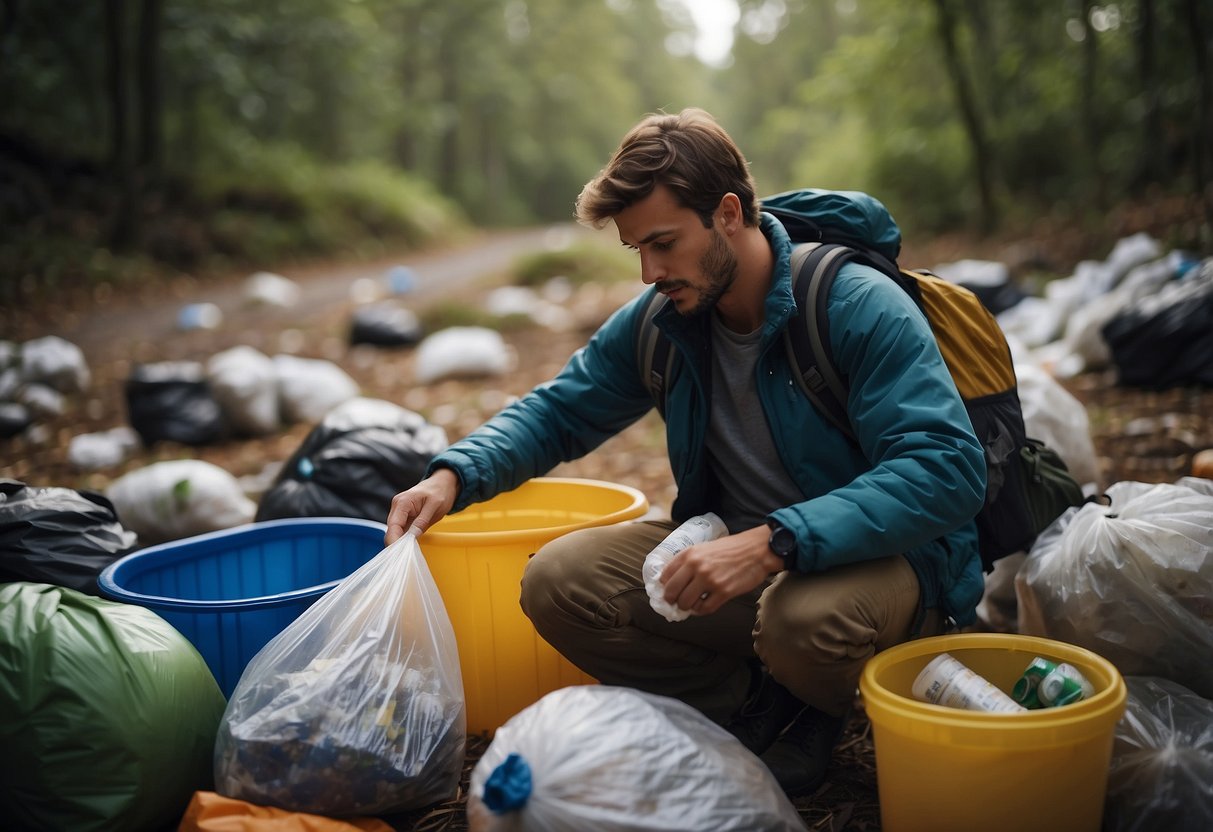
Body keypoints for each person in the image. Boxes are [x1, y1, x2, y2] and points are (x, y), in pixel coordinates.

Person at [386, 107, 987, 795]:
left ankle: (813, 709)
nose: (648, 272)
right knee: (558, 582)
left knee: (799, 620)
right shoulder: (665, 319)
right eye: (636, 250)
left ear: (727, 213)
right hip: (743, 557)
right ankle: (747, 707)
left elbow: (945, 466)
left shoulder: (851, 303)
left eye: (664, 243)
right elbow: (558, 409)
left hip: (885, 566)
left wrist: (773, 542)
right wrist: (453, 473)